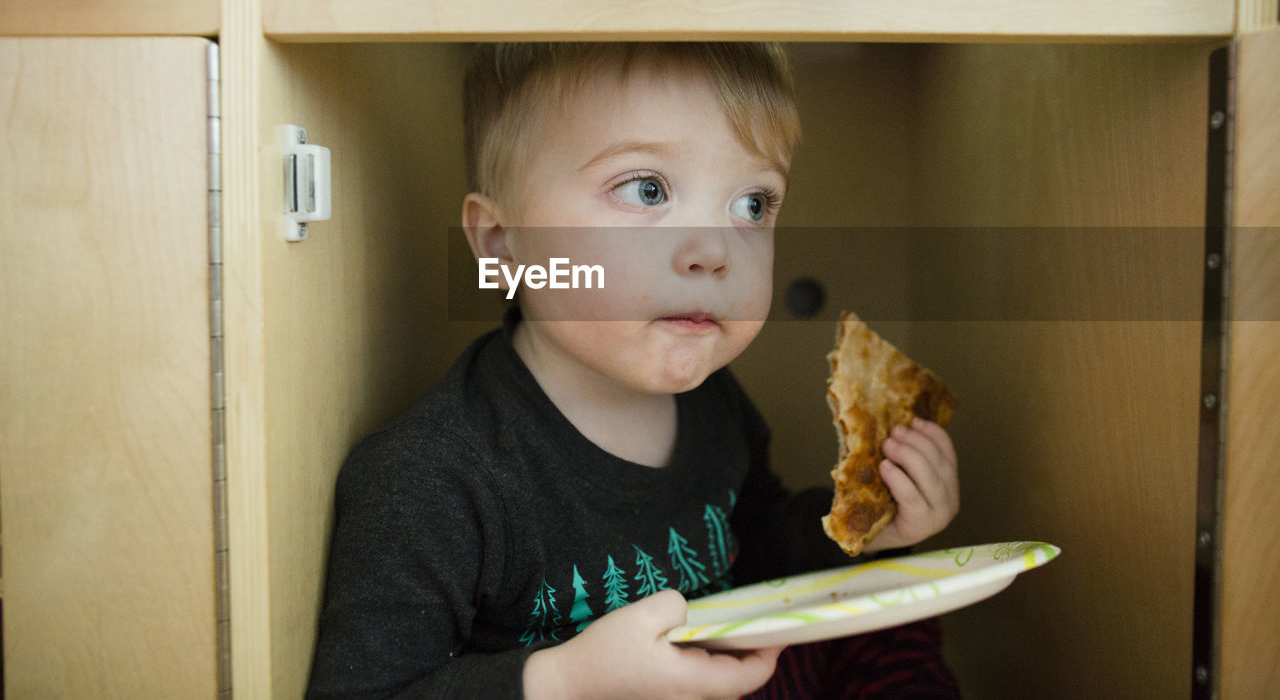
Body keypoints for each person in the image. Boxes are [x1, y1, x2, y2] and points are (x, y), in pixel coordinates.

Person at [306, 43, 961, 699]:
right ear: (505, 245)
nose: (714, 249)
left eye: (753, 204)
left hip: (732, 676)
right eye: (648, 189)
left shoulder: (712, 400)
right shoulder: (430, 480)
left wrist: (871, 525)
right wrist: (561, 680)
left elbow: (757, 539)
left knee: (893, 605)